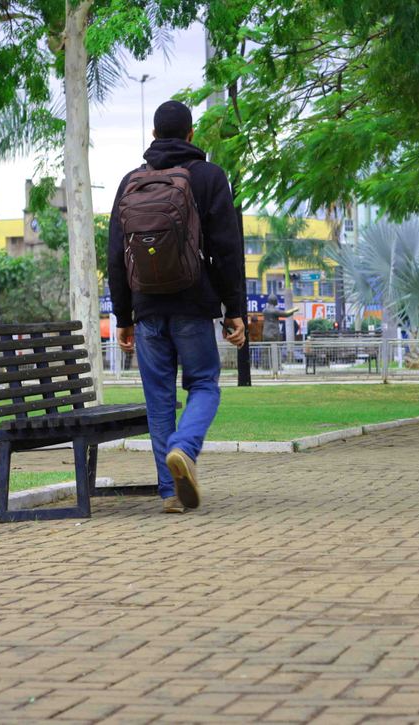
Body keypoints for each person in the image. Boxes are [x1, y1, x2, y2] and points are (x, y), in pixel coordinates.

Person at [108, 100, 246, 514]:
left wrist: (123, 316)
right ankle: (184, 448)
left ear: (153, 136)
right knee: (203, 384)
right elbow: (226, 249)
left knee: (159, 399)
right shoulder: (207, 177)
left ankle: (170, 493)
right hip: (193, 303)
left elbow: (116, 254)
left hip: (147, 309)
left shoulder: (132, 181)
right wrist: (233, 309)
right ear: (191, 135)